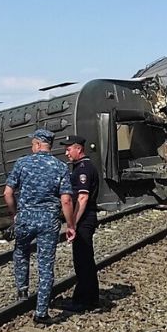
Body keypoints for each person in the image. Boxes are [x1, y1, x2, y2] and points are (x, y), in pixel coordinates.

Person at [3, 129, 76, 324]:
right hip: (48, 221)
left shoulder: (22, 163)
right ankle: (41, 313)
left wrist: (15, 214)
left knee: (20, 253)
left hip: (25, 219)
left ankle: (22, 291)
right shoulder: (60, 167)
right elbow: (67, 200)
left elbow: (8, 193)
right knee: (45, 265)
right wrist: (70, 225)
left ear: (36, 144)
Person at [59, 134, 100, 312]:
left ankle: (83, 300)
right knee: (85, 259)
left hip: (84, 218)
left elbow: (82, 198)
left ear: (78, 149)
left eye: (68, 149)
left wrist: (72, 224)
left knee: (83, 260)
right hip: (85, 218)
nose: (66, 153)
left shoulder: (83, 169)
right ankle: (90, 297)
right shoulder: (80, 167)